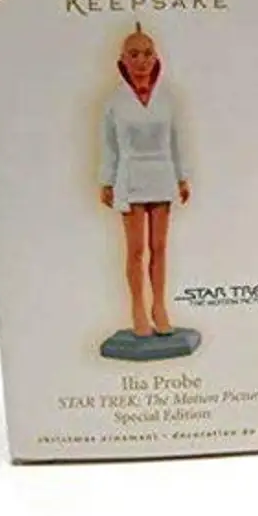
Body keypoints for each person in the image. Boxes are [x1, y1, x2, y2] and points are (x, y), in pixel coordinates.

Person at [99, 22, 191, 337]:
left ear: (156, 58)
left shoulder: (168, 99)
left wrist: (182, 177)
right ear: (123, 60)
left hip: (162, 174)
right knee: (136, 249)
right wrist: (107, 180)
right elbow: (109, 145)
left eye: (148, 54)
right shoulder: (114, 102)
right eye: (134, 54)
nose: (142, 60)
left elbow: (176, 141)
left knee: (159, 247)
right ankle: (138, 307)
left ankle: (159, 306)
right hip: (130, 176)